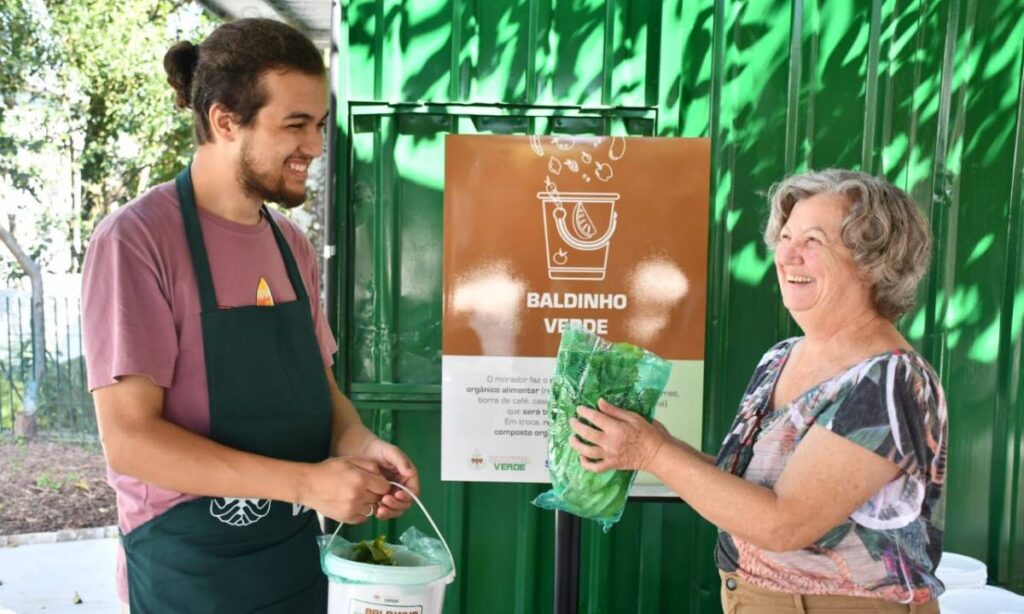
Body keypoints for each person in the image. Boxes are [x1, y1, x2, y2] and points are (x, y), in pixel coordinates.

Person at [82, 18, 419, 613]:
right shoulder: (136, 242)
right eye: (295, 125)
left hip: (294, 557)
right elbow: (130, 443)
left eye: (318, 124)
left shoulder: (292, 246)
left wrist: (357, 441)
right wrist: (307, 482)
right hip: (190, 573)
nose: (314, 146)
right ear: (224, 121)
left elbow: (321, 386)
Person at [570, 169, 946, 613]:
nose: (787, 255)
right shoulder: (782, 356)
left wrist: (652, 453)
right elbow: (749, 489)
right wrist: (656, 441)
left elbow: (783, 523)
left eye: (813, 241)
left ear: (872, 262)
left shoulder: (889, 381)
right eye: (784, 237)